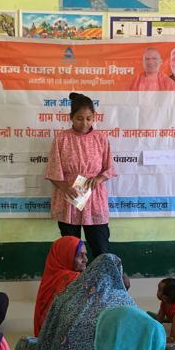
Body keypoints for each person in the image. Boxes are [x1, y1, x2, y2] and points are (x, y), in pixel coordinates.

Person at [14, 254, 134, 350]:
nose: (85, 259)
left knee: (24, 345)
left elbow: (48, 333)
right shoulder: (124, 301)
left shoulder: (68, 295)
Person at [45, 92, 116, 259]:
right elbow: (53, 171)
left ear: (94, 117)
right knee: (71, 251)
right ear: (71, 117)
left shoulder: (101, 139)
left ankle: (99, 276)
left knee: (100, 248)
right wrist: (65, 187)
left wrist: (98, 179)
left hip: (94, 197)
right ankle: (73, 276)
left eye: (89, 118)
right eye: (79, 118)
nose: (84, 123)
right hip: (70, 197)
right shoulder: (62, 139)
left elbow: (109, 168)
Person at [33, 236, 88, 336]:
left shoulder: (51, 276)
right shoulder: (73, 279)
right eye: (80, 255)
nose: (85, 260)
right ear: (66, 256)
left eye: (85, 255)